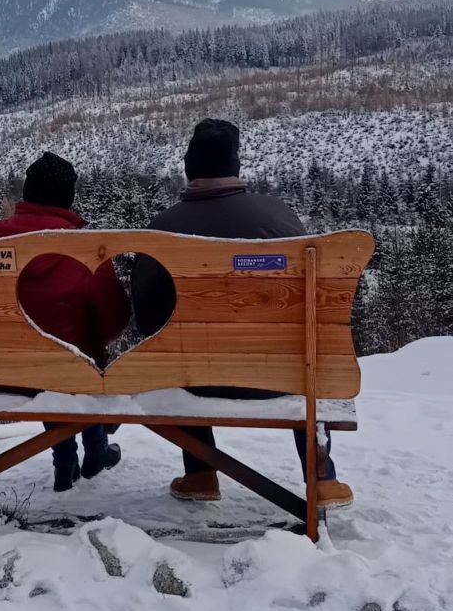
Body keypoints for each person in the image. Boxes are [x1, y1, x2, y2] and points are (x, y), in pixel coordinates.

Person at [131, 118, 353, 509]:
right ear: (236, 164)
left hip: (193, 381)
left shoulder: (162, 230)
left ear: (188, 165)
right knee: (305, 354)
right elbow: (312, 310)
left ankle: (201, 473)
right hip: (283, 376)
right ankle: (321, 478)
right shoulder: (280, 219)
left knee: (172, 355)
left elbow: (147, 322)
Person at [0, 152, 130, 492]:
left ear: (28, 194)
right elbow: (115, 320)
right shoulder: (85, 250)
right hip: (68, 374)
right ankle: (94, 451)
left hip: (0, 372)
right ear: (68, 199)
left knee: (51, 353)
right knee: (76, 357)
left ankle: (67, 460)